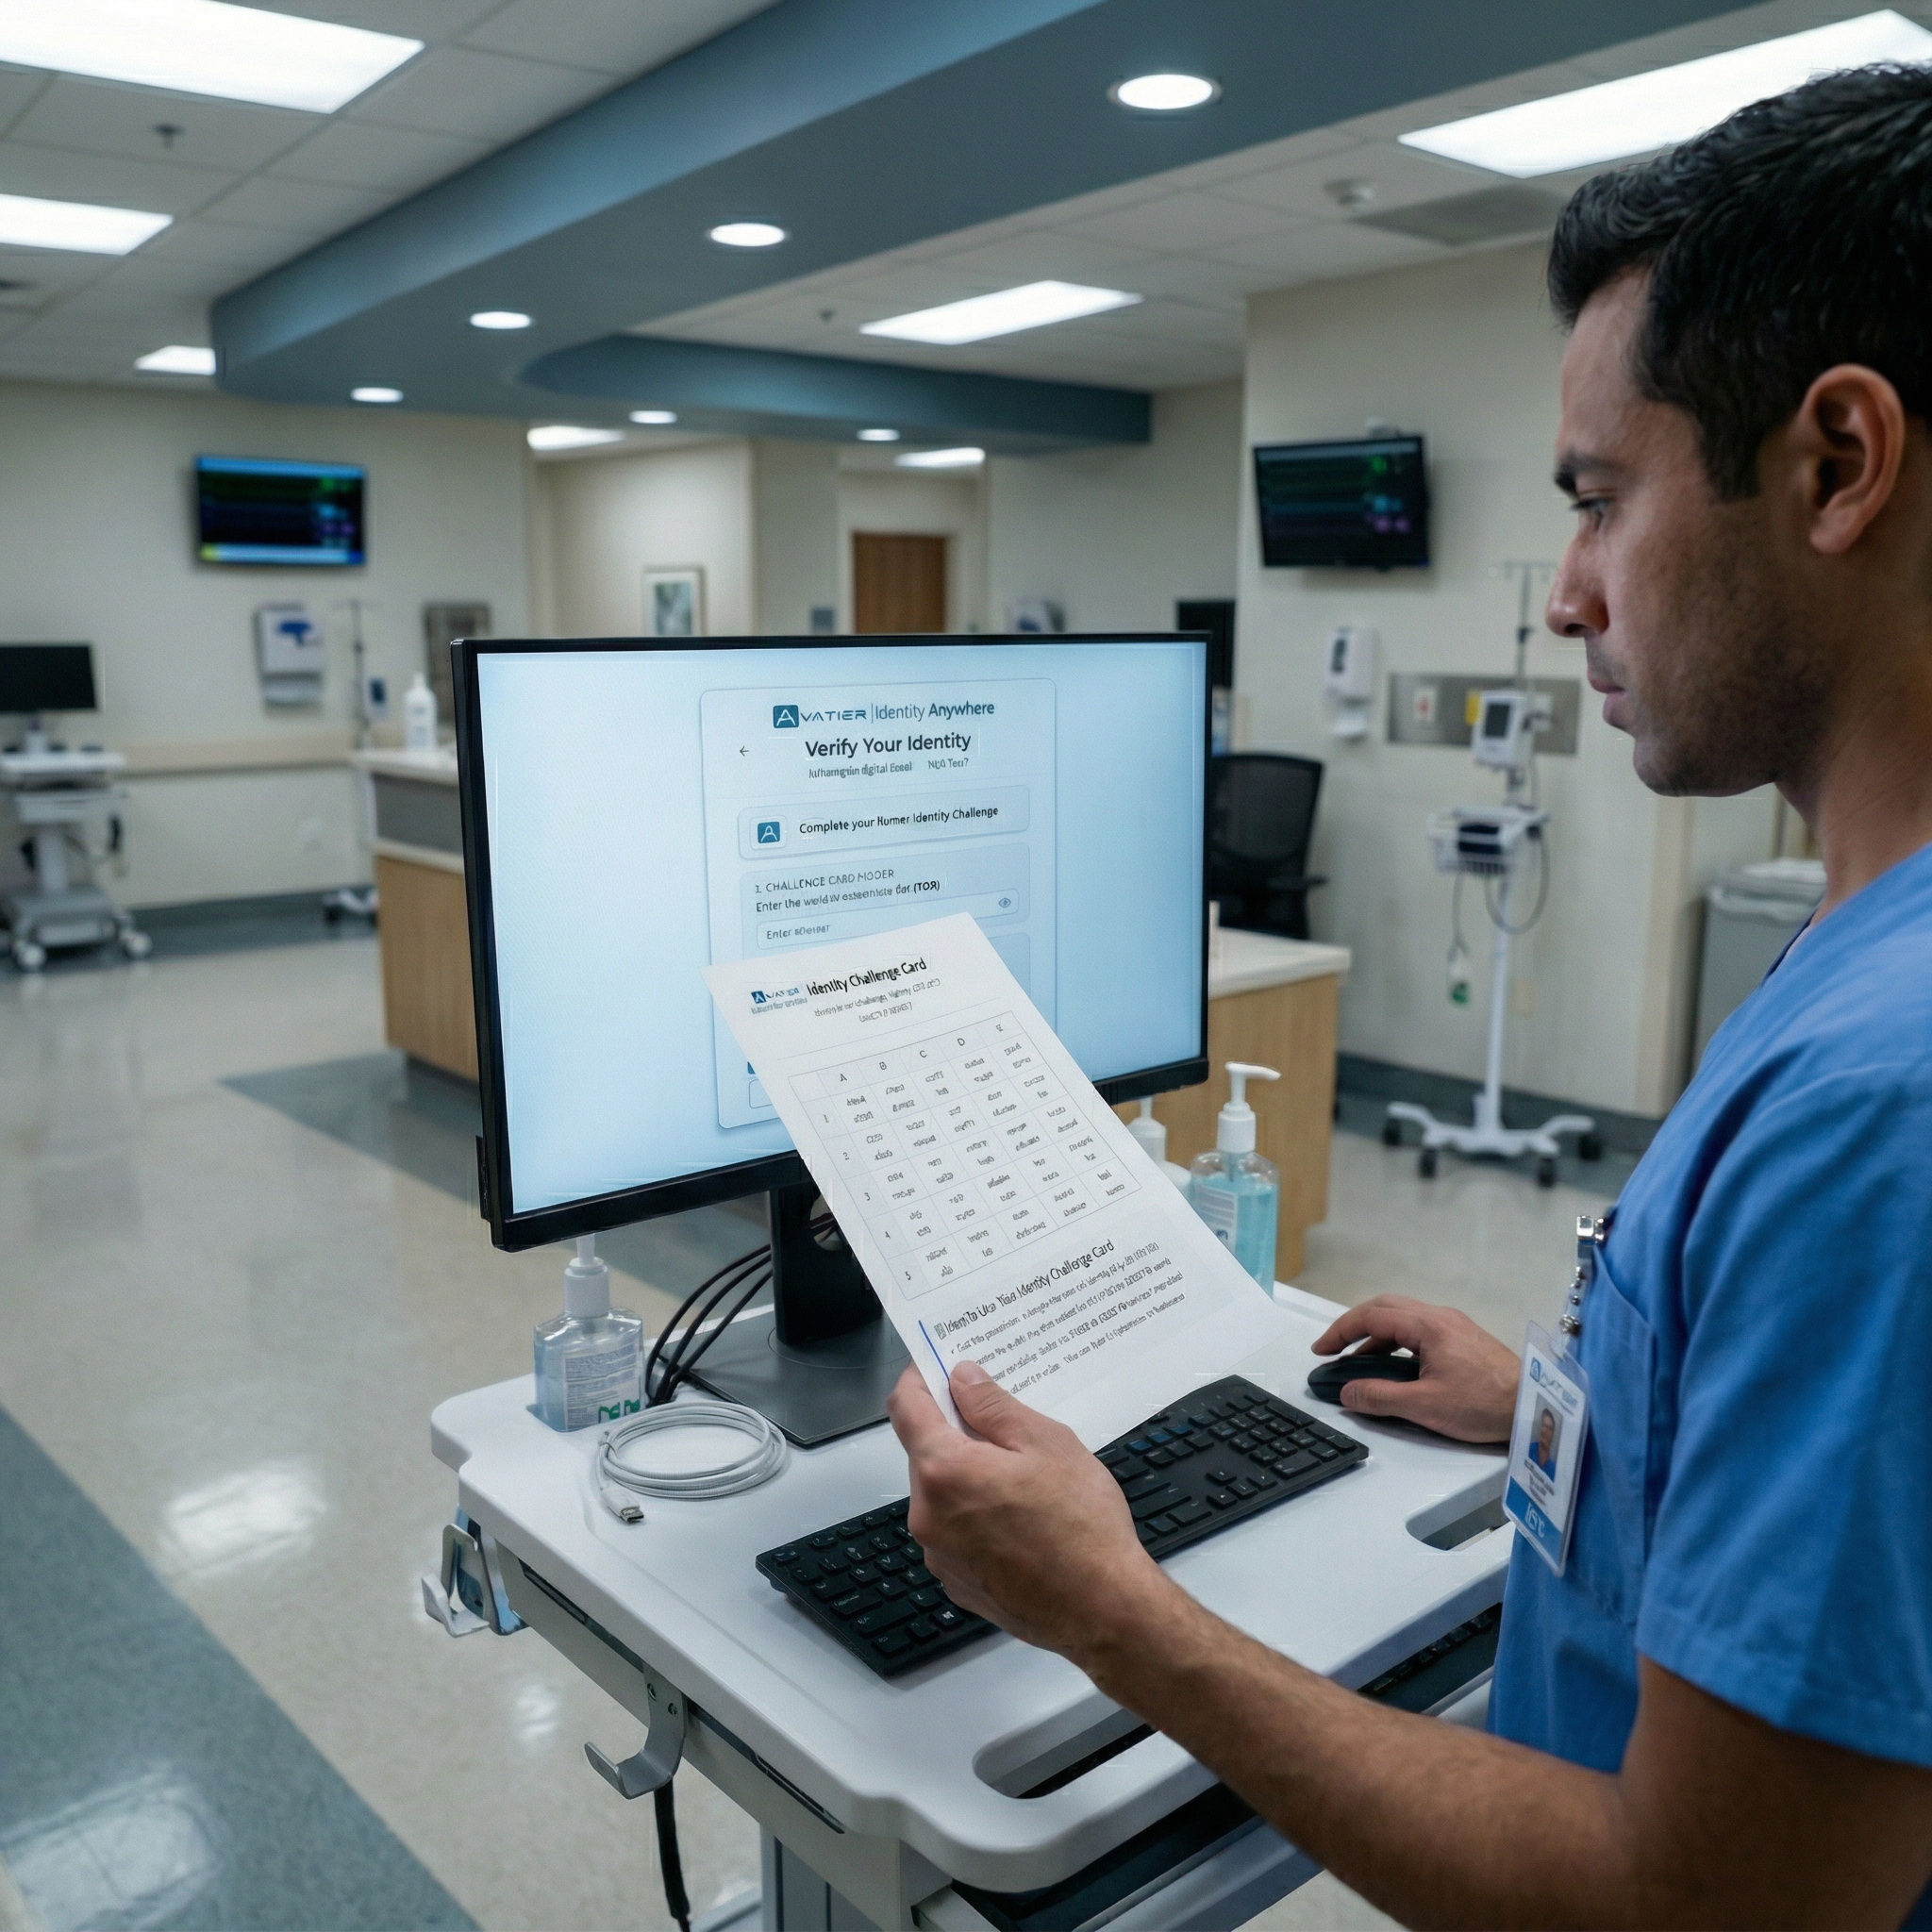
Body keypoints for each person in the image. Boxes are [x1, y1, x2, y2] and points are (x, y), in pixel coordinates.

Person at [890, 62, 1932, 1928]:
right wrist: (1568, 1413)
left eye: (1601, 500)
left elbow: (1695, 1909)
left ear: (1836, 465)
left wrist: (1113, 1610)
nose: (1566, 596)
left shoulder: (1885, 1100)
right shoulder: (1871, 950)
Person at [1529, 1404, 1558, 1479]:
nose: (1544, 1430)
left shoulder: (1553, 1470)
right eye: (1544, 1425)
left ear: (1552, 1435)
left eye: (1548, 1428)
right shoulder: (1528, 1449)